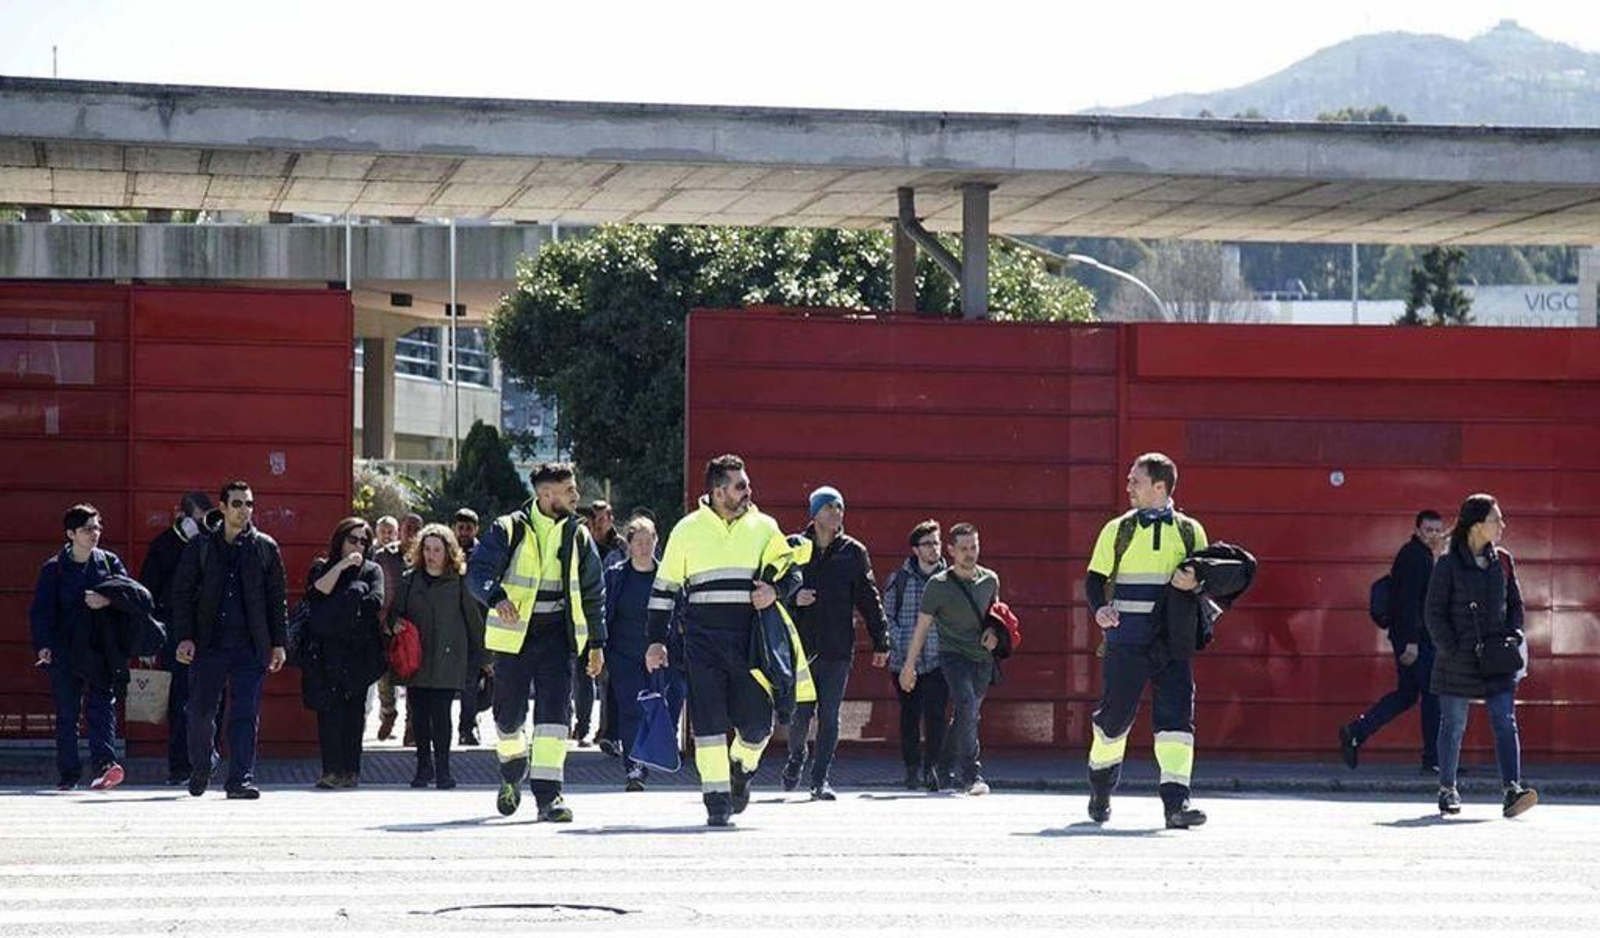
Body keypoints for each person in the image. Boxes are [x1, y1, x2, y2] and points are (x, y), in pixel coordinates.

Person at [646, 454, 805, 827]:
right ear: (718, 492)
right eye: (740, 485)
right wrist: (655, 642)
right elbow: (664, 589)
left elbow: (792, 573)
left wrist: (775, 591)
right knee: (708, 723)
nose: (749, 490)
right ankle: (716, 799)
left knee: (758, 726)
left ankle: (742, 768)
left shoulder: (765, 526)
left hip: (750, 641)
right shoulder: (686, 530)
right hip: (701, 640)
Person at [467, 462, 606, 821]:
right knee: (508, 718)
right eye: (569, 490)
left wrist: (596, 643)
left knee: (555, 716)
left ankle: (550, 797)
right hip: (516, 638)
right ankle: (512, 773)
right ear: (547, 495)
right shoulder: (508, 528)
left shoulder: (578, 534)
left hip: (557, 635)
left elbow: (593, 593)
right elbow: (477, 573)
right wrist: (496, 597)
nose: (576, 496)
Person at [1083, 453, 1209, 829]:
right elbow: (1093, 578)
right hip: (1126, 643)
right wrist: (1099, 610)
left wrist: (1197, 582)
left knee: (1176, 725)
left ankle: (1176, 805)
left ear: (1160, 487)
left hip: (1173, 645)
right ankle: (1101, 789)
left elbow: (1203, 579)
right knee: (1113, 721)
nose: (1128, 487)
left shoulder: (1190, 531)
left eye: (1135, 481)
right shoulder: (1117, 529)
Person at [170, 481, 289, 800]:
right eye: (237, 504)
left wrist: (279, 643)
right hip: (209, 644)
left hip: (251, 646)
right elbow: (180, 595)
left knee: (246, 714)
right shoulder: (202, 547)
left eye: (249, 504)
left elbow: (277, 598)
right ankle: (203, 764)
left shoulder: (265, 547)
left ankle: (239, 780)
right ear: (222, 508)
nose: (244, 510)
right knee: (200, 713)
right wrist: (184, 638)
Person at [1426, 494, 1536, 818]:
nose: (1502, 525)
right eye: (1496, 519)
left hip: (1497, 658)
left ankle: (1511, 791)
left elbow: (1516, 605)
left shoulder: (1503, 560)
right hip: (1457, 660)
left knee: (1505, 720)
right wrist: (1451, 648)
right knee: (1453, 724)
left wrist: (1514, 634)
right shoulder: (1447, 564)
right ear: (1477, 526)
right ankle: (1447, 789)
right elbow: (1433, 613)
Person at [783, 486, 889, 800]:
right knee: (800, 714)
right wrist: (793, 596)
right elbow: (772, 586)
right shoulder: (794, 547)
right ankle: (796, 756)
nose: (836, 513)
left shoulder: (853, 552)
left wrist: (881, 640)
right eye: (829, 507)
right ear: (814, 513)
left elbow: (870, 599)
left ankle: (820, 780)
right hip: (801, 646)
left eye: (840, 507)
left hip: (838, 646)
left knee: (830, 714)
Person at [29, 504, 130, 791]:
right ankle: (69, 774)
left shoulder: (109, 563)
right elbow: (42, 611)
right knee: (68, 713)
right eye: (88, 529)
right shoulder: (54, 569)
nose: (94, 533)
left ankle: (105, 767)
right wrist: (44, 645)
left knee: (102, 708)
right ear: (71, 533)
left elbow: (131, 597)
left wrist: (107, 601)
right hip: (65, 649)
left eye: (97, 527)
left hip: (101, 649)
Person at [1340, 510, 1448, 773]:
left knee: (1408, 694)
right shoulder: (1415, 557)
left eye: (1437, 530)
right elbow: (1409, 601)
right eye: (1428, 530)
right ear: (1418, 530)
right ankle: (1433, 759)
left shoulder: (1419, 555)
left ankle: (1356, 731)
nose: (1433, 534)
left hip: (1411, 637)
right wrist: (1411, 642)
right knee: (1432, 695)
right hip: (1416, 640)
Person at [898, 523, 999, 798]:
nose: (970, 553)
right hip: (952, 655)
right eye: (963, 548)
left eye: (974, 547)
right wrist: (908, 667)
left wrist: (993, 633)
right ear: (951, 550)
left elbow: (995, 617)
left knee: (967, 714)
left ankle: (942, 767)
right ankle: (971, 775)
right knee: (966, 704)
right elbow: (921, 628)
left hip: (982, 659)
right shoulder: (938, 585)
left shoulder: (990, 580)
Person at [138, 491, 226, 785]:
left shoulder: (216, 543)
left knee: (214, 697)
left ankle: (207, 758)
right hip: (175, 629)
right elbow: (148, 591)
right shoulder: (165, 545)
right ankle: (181, 766)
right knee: (180, 699)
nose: (205, 525)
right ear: (185, 517)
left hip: (212, 630)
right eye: (199, 519)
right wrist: (148, 639)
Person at [394, 524, 486, 789]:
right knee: (419, 716)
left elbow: (474, 621)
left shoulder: (459, 582)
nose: (432, 554)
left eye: (438, 549)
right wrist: (395, 624)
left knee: (442, 715)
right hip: (417, 658)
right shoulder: (410, 579)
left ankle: (443, 770)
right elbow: (395, 613)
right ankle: (423, 768)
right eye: (427, 548)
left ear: (448, 552)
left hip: (448, 659)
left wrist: (484, 658)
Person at [301, 518, 386, 790]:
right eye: (353, 539)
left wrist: (351, 593)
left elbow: (375, 600)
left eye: (364, 541)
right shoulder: (322, 566)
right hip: (326, 652)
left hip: (358, 652)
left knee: (353, 712)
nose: (358, 546)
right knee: (328, 712)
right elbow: (316, 592)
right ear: (340, 540)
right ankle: (330, 771)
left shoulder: (372, 570)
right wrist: (342, 568)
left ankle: (351, 770)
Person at [604, 515, 687, 791]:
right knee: (631, 710)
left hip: (663, 655)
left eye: (648, 540)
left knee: (662, 708)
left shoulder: (668, 577)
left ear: (656, 542)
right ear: (628, 544)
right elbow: (605, 613)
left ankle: (657, 751)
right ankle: (634, 768)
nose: (642, 546)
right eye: (637, 541)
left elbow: (681, 612)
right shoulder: (616, 576)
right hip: (623, 655)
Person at [884, 519, 949, 791]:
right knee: (910, 714)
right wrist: (903, 643)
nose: (934, 549)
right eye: (927, 544)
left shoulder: (951, 579)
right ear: (915, 549)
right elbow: (887, 617)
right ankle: (911, 768)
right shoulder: (899, 580)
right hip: (903, 660)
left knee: (936, 714)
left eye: (937, 542)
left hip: (939, 660)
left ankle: (931, 768)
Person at [374, 512, 423, 742]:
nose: (412, 534)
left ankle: (412, 727)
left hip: (415, 624)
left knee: (414, 674)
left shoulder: (426, 555)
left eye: (416, 529)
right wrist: (387, 621)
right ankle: (388, 711)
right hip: (386, 623)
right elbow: (377, 589)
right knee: (384, 673)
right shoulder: (383, 556)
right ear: (400, 531)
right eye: (408, 528)